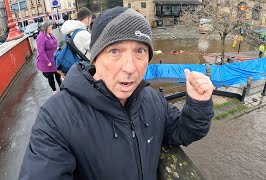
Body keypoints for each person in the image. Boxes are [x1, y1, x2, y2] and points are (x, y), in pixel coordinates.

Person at [19, 7, 214, 180]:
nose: (130, 67)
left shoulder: (152, 100)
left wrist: (198, 103)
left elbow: (182, 132)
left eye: (140, 51)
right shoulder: (56, 118)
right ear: (94, 57)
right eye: (114, 51)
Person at [36, 21, 61, 95]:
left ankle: (62, 89)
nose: (51, 27)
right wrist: (47, 62)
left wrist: (57, 49)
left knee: (58, 74)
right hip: (47, 62)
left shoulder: (50, 34)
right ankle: (54, 91)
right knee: (50, 77)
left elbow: (54, 44)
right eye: (50, 26)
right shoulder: (40, 37)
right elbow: (41, 51)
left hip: (54, 59)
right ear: (46, 27)